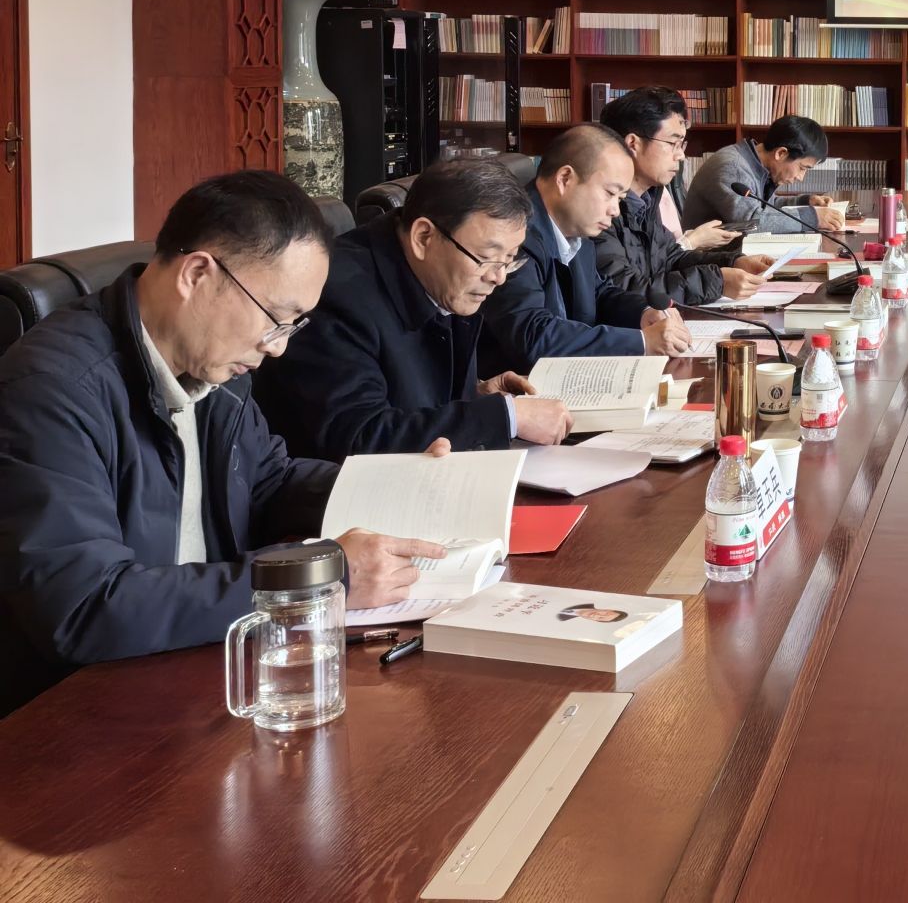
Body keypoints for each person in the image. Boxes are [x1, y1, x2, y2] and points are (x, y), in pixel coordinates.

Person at [0, 171, 448, 716]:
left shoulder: (214, 363)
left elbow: (269, 480)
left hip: (206, 664)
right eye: (276, 320)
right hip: (85, 710)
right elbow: (86, 608)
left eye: (292, 326)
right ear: (197, 274)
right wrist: (319, 575)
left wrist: (400, 485)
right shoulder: (52, 391)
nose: (277, 348)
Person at [256, 157, 575, 461]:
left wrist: (476, 394)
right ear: (424, 237)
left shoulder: (442, 275)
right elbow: (358, 439)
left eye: (509, 259)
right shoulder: (337, 296)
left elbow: (403, 396)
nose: (498, 277)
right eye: (488, 258)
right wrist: (506, 417)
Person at [481, 124, 696, 377]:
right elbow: (532, 335)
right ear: (565, 179)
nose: (615, 210)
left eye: (620, 199)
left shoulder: (576, 229)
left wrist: (643, 313)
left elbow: (599, 292)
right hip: (517, 387)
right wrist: (641, 342)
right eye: (610, 193)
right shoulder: (515, 234)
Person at [595, 86, 773, 304]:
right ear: (633, 143)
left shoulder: (647, 199)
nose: (680, 155)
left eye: (682, 144)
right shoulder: (599, 210)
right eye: (673, 143)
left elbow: (671, 259)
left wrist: (734, 263)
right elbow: (623, 290)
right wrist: (717, 281)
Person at [681, 114, 845, 237]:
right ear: (781, 153)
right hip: (710, 261)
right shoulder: (734, 167)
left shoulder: (755, 164)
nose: (801, 177)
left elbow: (766, 206)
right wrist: (813, 218)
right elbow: (752, 222)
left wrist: (804, 202)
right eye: (802, 168)